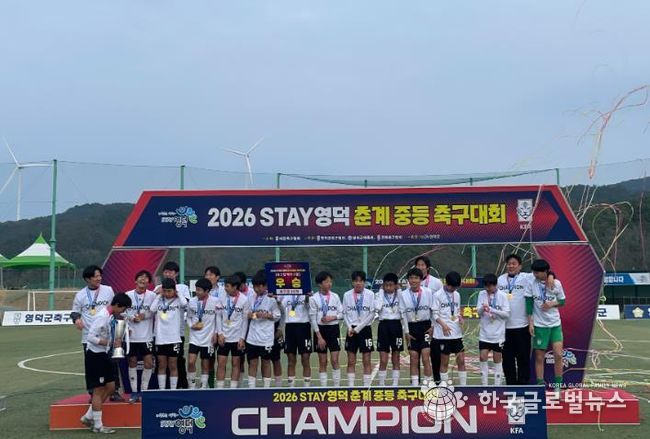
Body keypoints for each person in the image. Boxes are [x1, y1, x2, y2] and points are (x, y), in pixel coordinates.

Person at [79, 294, 131, 434]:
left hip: (105, 354)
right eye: (123, 309)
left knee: (111, 386)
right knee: (98, 390)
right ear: (117, 305)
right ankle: (98, 425)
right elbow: (90, 337)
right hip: (95, 356)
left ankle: (88, 416)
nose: (123, 312)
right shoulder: (102, 316)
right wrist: (110, 343)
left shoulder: (112, 316)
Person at [71, 265, 117, 402]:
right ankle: (92, 393)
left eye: (100, 276)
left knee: (111, 364)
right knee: (91, 368)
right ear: (87, 279)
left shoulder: (108, 290)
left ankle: (114, 392)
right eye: (96, 276)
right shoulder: (80, 295)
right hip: (88, 338)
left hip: (107, 336)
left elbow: (115, 307)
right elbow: (74, 312)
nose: (99, 278)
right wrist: (77, 319)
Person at [527, 259, 565, 392]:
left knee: (558, 354)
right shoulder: (531, 283)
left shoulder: (556, 283)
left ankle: (558, 386)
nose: (535, 274)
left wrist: (551, 304)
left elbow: (562, 301)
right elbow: (529, 304)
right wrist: (530, 323)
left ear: (545, 272)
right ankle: (540, 385)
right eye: (534, 272)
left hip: (555, 324)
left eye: (537, 272)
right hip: (539, 325)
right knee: (539, 356)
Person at [498, 254, 533, 385]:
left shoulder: (526, 277)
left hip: (522, 326)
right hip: (504, 327)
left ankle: (523, 385)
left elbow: (543, 274)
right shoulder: (500, 280)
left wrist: (551, 277)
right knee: (507, 359)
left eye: (514, 264)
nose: (511, 266)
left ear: (520, 266)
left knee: (523, 358)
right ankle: (511, 385)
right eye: (509, 264)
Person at [156, 261, 191, 389]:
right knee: (161, 362)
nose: (168, 274)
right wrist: (158, 293)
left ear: (176, 273)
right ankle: (163, 387)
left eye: (171, 272)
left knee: (178, 360)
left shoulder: (183, 288)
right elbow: (152, 305)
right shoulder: (158, 287)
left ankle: (181, 385)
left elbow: (186, 304)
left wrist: (176, 292)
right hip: (160, 333)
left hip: (177, 332)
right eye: (165, 272)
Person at [398, 267, 434, 386]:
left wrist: (432, 326)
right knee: (413, 358)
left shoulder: (428, 292)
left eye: (416, 278)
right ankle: (414, 386)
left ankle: (428, 385)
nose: (413, 280)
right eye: (411, 278)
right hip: (411, 328)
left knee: (425, 357)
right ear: (408, 280)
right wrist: (406, 332)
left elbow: (433, 310)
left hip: (425, 327)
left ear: (421, 279)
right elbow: (403, 314)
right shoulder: (403, 295)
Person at [245, 272, 281, 387]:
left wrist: (267, 315)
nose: (256, 289)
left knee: (266, 362)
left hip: (266, 337)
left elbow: (277, 316)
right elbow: (247, 314)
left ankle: (266, 388)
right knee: (252, 363)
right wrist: (253, 315)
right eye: (254, 286)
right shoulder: (250, 297)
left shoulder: (272, 298)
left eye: (259, 286)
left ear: (265, 286)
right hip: (252, 337)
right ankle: (251, 388)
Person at [125, 270, 156, 403]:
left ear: (149, 282)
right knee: (132, 362)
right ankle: (134, 392)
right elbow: (122, 312)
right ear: (135, 280)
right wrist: (132, 318)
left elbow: (154, 311)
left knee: (148, 363)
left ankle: (144, 391)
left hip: (146, 336)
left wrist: (144, 315)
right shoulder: (128, 295)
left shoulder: (152, 296)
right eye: (140, 277)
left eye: (146, 278)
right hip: (132, 336)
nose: (143, 280)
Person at [151, 278, 187, 389]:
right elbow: (152, 309)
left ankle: (173, 390)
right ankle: (162, 389)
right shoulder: (159, 300)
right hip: (160, 338)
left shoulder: (178, 300)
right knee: (161, 365)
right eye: (165, 291)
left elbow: (185, 304)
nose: (167, 293)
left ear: (174, 290)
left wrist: (178, 293)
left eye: (169, 291)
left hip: (174, 339)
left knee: (173, 365)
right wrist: (159, 295)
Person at [309, 271, 343, 387]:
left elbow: (341, 314)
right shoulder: (313, 298)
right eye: (327, 281)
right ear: (320, 284)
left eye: (330, 281)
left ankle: (337, 387)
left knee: (335, 360)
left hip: (333, 330)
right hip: (320, 331)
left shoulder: (335, 296)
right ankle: (323, 388)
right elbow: (313, 319)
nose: (330, 284)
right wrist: (319, 337)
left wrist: (331, 317)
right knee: (322, 361)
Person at [215, 275, 250, 388]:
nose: (225, 288)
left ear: (235, 287)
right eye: (225, 286)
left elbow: (245, 320)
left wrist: (242, 338)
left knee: (236, 363)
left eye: (227, 286)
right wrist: (220, 333)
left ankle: (233, 389)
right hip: (224, 337)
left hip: (237, 338)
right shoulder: (222, 297)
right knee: (221, 363)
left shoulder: (244, 300)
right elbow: (218, 316)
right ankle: (220, 389)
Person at [342, 271, 376, 387]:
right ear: (352, 282)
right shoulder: (347, 295)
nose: (358, 283)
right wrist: (349, 327)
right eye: (356, 281)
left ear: (364, 282)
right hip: (351, 330)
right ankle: (351, 388)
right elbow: (344, 313)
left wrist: (358, 328)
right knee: (351, 361)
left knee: (367, 360)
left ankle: (366, 387)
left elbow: (372, 314)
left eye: (361, 281)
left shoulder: (370, 294)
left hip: (365, 329)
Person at [433, 271, 467, 385]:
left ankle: (464, 387)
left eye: (456, 287)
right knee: (444, 363)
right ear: (446, 283)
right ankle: (444, 387)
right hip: (443, 335)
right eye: (452, 287)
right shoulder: (437, 295)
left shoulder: (457, 295)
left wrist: (460, 318)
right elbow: (435, 314)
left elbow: (456, 311)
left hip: (456, 334)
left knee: (461, 360)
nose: (454, 289)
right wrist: (443, 325)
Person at [476, 273, 510, 385]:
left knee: (497, 359)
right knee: (482, 357)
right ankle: (484, 385)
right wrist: (483, 307)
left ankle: (497, 385)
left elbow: (506, 314)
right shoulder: (482, 294)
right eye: (486, 286)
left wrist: (492, 309)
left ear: (495, 285)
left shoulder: (503, 296)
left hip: (498, 335)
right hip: (484, 334)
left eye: (490, 286)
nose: (487, 288)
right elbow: (478, 312)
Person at [414, 255, 443, 383]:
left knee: (434, 354)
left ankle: (437, 380)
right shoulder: (412, 281)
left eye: (422, 265)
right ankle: (416, 382)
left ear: (428, 267)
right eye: (418, 265)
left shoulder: (436, 283)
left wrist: (434, 324)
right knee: (416, 355)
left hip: (432, 324)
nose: (420, 267)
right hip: (416, 323)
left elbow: (441, 302)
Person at [186, 278, 219, 389]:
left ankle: (203, 386)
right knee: (191, 362)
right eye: (196, 289)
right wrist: (192, 325)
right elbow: (188, 317)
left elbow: (218, 319)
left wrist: (216, 333)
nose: (197, 292)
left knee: (205, 364)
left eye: (199, 290)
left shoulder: (215, 301)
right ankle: (192, 386)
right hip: (194, 338)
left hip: (208, 339)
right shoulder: (192, 301)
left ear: (207, 291)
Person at [279, 281, 313, 387]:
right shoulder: (287, 294)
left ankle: (306, 388)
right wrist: (277, 300)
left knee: (305, 359)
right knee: (291, 360)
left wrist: (307, 297)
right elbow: (281, 309)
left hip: (304, 327)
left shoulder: (307, 293)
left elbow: (309, 307)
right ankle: (291, 388)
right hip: (290, 327)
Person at [375, 272, 403, 386]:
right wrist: (381, 291)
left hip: (396, 325)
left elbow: (403, 306)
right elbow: (377, 307)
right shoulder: (379, 295)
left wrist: (399, 291)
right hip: (384, 326)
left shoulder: (400, 295)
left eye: (391, 285)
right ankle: (381, 384)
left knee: (396, 357)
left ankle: (395, 384)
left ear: (396, 285)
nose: (388, 288)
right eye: (386, 285)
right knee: (383, 358)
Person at [204, 265, 224, 387]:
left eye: (211, 275)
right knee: (209, 360)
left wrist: (218, 331)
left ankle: (219, 386)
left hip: (222, 330)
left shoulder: (223, 291)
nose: (208, 277)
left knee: (221, 360)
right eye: (206, 274)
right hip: (207, 331)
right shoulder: (203, 291)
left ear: (217, 277)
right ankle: (209, 386)